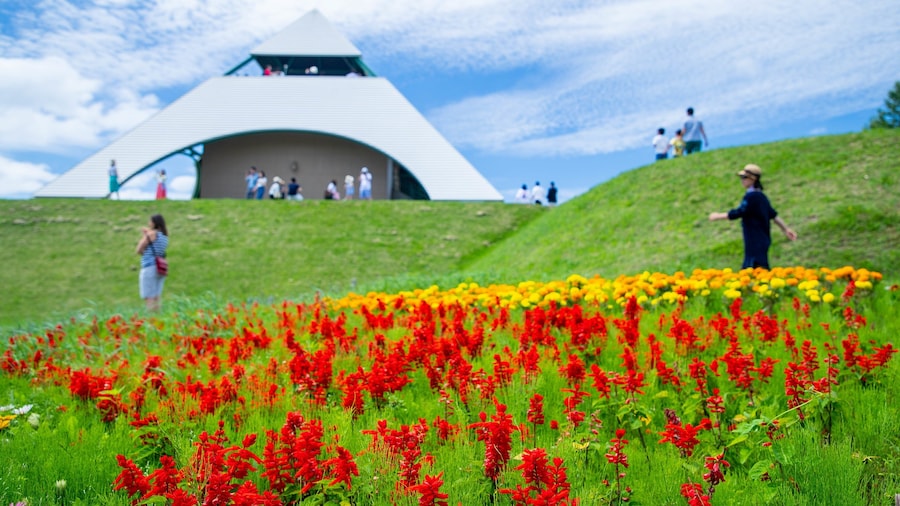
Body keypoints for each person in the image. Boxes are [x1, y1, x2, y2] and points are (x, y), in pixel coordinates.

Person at [708, 164, 797, 270]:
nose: (742, 180)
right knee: (759, 265)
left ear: (753, 179)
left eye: (744, 177)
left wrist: (717, 216)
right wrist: (786, 229)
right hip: (762, 238)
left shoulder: (752, 197)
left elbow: (738, 212)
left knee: (753, 267)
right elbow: (773, 215)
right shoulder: (761, 196)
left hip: (754, 238)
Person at [135, 214, 169, 312]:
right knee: (156, 296)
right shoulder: (164, 236)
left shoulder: (151, 235)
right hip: (160, 267)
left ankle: (151, 319)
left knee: (148, 296)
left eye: (150, 221)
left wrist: (145, 235)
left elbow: (139, 249)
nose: (149, 223)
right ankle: (158, 317)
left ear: (154, 222)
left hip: (149, 266)